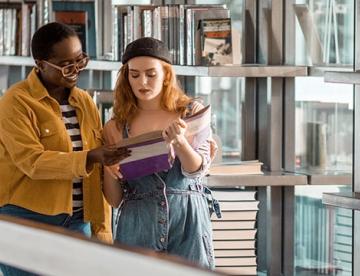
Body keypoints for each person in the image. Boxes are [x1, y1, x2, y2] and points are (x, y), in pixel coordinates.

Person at [0, 22, 130, 275]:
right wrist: (90, 156)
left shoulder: (84, 101)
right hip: (26, 222)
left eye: (80, 60)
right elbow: (32, 162)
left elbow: (96, 177)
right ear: (40, 64)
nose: (76, 70)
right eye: (66, 65)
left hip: (79, 222)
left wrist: (102, 233)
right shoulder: (15, 102)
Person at [102, 37, 218, 269]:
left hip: (188, 225)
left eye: (150, 74)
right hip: (137, 226)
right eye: (134, 75)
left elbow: (196, 171)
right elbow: (114, 200)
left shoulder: (191, 113)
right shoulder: (115, 127)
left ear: (166, 74)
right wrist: (108, 168)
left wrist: (181, 143)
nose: (142, 82)